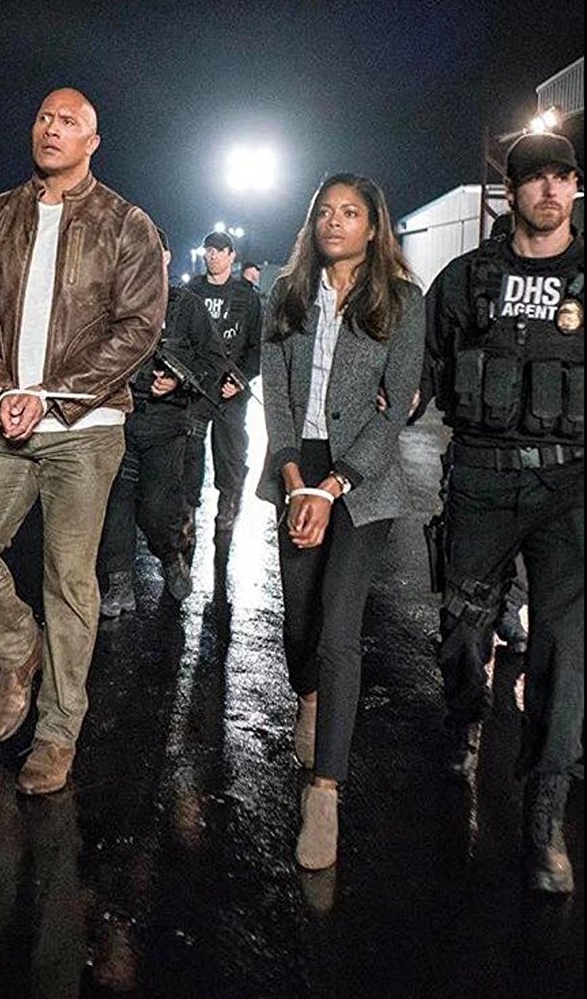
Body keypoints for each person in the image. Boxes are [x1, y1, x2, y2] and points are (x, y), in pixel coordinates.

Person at [0, 87, 165, 795]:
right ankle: (19, 649)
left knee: (68, 580)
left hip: (84, 429)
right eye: (44, 117)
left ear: (92, 142)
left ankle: (58, 731)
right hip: (1, 418)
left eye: (69, 122)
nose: (52, 129)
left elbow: (139, 327)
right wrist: (0, 389)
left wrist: (52, 395)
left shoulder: (125, 224)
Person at [421, 132, 583, 893]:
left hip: (570, 485)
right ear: (510, 191)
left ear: (574, 187)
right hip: (481, 479)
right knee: (464, 627)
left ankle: (544, 816)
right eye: (534, 179)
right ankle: (463, 712)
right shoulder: (466, 280)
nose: (549, 190)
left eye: (562, 177)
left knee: (563, 648)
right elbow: (420, 369)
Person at [258, 173, 424, 871]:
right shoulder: (287, 293)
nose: (334, 222)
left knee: (338, 628)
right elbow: (274, 391)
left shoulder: (401, 300)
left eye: (350, 212)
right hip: (299, 464)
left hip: (362, 480)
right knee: (299, 622)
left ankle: (324, 793)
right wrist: (295, 477)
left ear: (372, 225)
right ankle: (309, 697)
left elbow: (398, 404)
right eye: (324, 211)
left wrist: (334, 486)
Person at [98, 228, 226, 617]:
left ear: (166, 258)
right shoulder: (116, 304)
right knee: (116, 506)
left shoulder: (187, 307)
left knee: (156, 509)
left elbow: (213, 360)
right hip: (120, 419)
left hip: (167, 424)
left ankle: (170, 557)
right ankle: (120, 585)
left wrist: (178, 382)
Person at [184, 230, 263, 539]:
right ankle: (187, 508)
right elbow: (179, 339)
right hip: (197, 387)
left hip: (231, 389)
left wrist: (240, 381)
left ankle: (227, 503)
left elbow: (256, 346)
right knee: (190, 451)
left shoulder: (246, 296)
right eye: (209, 250)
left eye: (219, 250)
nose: (212, 255)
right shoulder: (191, 291)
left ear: (232, 255)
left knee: (229, 451)